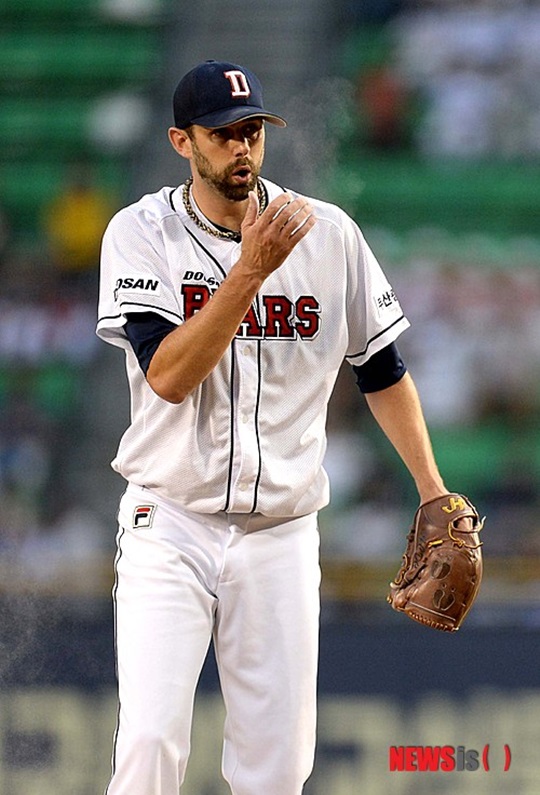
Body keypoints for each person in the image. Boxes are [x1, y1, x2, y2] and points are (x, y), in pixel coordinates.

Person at [96, 60, 452, 795]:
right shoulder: (141, 233)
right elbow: (168, 375)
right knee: (151, 743)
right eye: (222, 134)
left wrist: (432, 487)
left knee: (281, 768)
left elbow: (381, 370)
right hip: (170, 523)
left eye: (252, 131)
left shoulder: (329, 233)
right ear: (181, 141)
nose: (242, 147)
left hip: (281, 533)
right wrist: (249, 275)